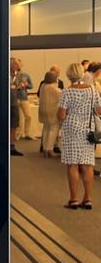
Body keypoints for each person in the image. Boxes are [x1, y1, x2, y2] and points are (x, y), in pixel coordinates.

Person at [56, 61, 101, 209]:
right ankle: (87, 199)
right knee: (87, 165)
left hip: (71, 130)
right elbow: (99, 110)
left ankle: (74, 199)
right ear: (82, 73)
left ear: (69, 75)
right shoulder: (93, 90)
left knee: (72, 165)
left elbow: (61, 115)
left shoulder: (67, 92)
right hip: (88, 130)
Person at [38, 70, 61, 157]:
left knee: (46, 129)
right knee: (53, 130)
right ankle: (50, 149)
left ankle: (44, 148)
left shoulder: (43, 86)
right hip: (52, 111)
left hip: (43, 110)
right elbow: (62, 95)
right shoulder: (54, 87)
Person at [14, 59, 34, 140]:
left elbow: (31, 86)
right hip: (14, 99)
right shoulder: (11, 75)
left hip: (24, 98)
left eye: (19, 64)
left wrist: (26, 85)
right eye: (16, 64)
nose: (18, 66)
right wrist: (18, 86)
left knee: (28, 116)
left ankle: (27, 134)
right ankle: (18, 135)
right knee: (17, 118)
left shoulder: (25, 75)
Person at [10, 58, 22, 156]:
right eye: (16, 65)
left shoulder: (16, 76)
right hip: (8, 103)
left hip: (14, 103)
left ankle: (12, 146)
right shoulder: (6, 75)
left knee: (14, 125)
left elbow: (16, 87)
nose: (18, 68)